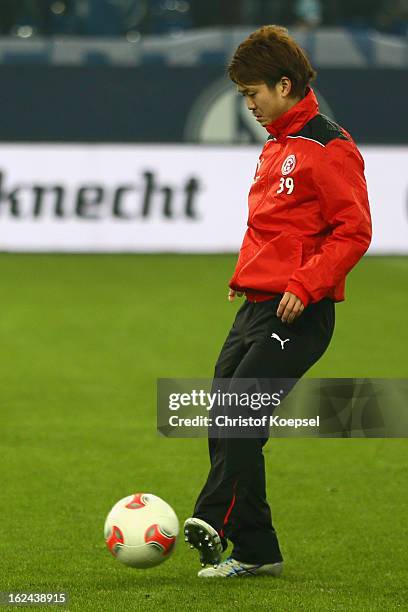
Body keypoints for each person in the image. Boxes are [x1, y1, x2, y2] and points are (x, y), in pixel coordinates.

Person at [184, 25, 372, 578]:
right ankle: (257, 551)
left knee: (240, 411)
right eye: (243, 96)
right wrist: (247, 276)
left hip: (300, 311)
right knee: (223, 411)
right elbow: (274, 228)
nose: (249, 106)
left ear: (284, 85)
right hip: (257, 306)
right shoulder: (278, 146)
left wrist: (304, 284)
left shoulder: (328, 146)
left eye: (253, 94)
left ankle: (212, 520)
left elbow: (353, 231)